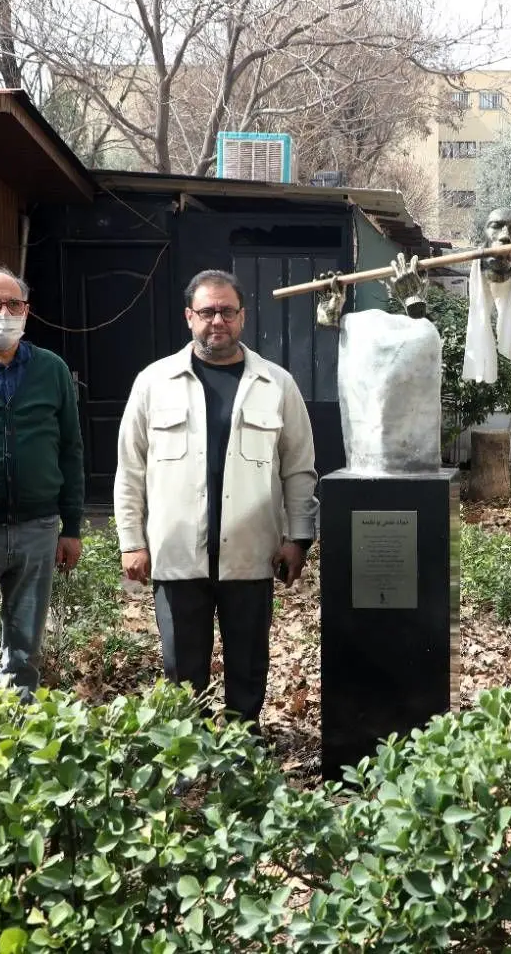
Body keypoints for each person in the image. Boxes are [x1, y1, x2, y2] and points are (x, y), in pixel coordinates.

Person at [114, 269, 318, 733]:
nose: (217, 321)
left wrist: (299, 538)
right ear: (189, 317)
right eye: (207, 311)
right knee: (182, 668)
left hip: (251, 553)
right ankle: (191, 751)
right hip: (176, 552)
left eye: (227, 311)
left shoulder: (276, 384)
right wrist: (132, 541)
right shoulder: (154, 382)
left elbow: (299, 468)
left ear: (243, 316)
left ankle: (243, 746)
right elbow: (130, 468)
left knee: (249, 662)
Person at [0, 266, 84, 696]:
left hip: (37, 528)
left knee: (25, 647)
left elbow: (70, 448)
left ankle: (20, 720)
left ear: (26, 311)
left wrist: (72, 526)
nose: (3, 313)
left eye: (13, 304)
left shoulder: (52, 369)